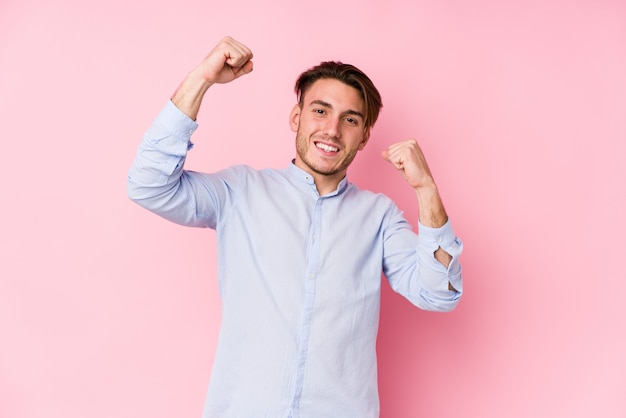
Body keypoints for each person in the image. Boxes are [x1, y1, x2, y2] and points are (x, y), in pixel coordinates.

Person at [128, 36, 463, 418]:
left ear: (365, 136)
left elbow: (440, 293)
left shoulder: (379, 218)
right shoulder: (240, 191)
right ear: (296, 117)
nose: (332, 130)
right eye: (320, 111)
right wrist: (202, 78)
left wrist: (426, 189)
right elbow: (148, 184)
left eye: (350, 119)